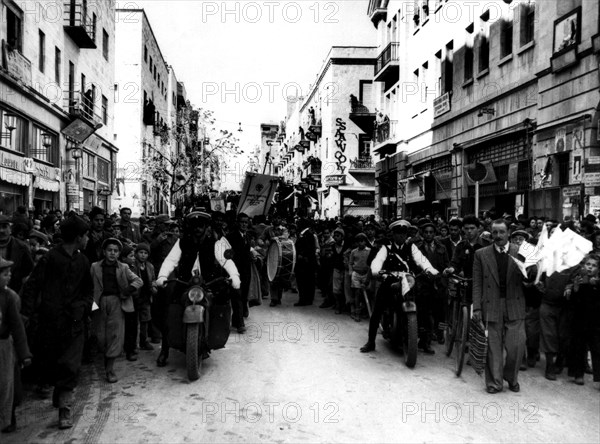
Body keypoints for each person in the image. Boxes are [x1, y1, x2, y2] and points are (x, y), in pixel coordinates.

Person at [20, 215, 93, 429]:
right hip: (51, 323)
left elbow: (89, 291)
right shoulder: (50, 259)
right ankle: (60, 393)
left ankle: (65, 409)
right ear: (78, 237)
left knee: (70, 366)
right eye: (86, 235)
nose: (87, 239)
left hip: (75, 322)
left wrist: (83, 307)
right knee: (53, 364)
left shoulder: (83, 261)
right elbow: (32, 287)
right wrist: (26, 315)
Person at [158, 211, 234, 363]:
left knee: (223, 301)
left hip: (210, 281)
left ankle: (214, 338)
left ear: (206, 227)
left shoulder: (216, 241)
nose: (198, 229)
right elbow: (170, 261)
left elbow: (227, 260)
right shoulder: (182, 242)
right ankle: (165, 348)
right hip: (185, 282)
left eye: (201, 226)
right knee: (167, 307)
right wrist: (162, 276)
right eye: (194, 226)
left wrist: (231, 275)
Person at [361, 219, 439, 353]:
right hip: (390, 281)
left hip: (409, 281)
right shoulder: (386, 248)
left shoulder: (411, 247)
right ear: (393, 234)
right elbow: (377, 261)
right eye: (398, 233)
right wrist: (376, 270)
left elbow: (421, 260)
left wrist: (430, 270)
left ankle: (424, 341)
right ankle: (371, 341)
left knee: (424, 306)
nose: (401, 236)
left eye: (403, 233)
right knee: (378, 308)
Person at [472, 219, 527, 394]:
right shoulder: (481, 254)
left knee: (516, 346)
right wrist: (477, 308)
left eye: (501, 232)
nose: (498, 236)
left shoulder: (521, 252)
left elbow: (530, 277)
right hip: (492, 303)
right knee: (493, 348)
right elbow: (477, 283)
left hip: (515, 303)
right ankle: (494, 383)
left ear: (508, 233)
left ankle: (511, 377)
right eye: (494, 232)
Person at [90, 238, 142, 383]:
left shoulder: (124, 267)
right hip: (98, 303)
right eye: (109, 250)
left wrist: (126, 291)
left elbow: (138, 281)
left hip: (117, 302)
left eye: (115, 251)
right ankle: (106, 358)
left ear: (119, 253)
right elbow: (88, 285)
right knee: (100, 336)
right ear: (104, 252)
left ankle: (110, 369)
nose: (112, 253)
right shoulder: (95, 267)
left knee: (115, 335)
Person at [0, 257, 32, 433]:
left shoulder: (9, 297)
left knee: (7, 384)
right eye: (5, 274)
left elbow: (17, 328)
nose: (9, 277)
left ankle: (7, 417)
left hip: (4, 346)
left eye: (9, 273)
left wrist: (24, 353)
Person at [565, 253, 600, 386]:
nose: (590, 268)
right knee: (578, 347)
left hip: (596, 321)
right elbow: (572, 302)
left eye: (594, 266)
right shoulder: (578, 279)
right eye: (588, 264)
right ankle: (578, 374)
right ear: (584, 266)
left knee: (597, 349)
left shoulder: (598, 281)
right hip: (580, 319)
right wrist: (575, 288)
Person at [213, 213, 251, 332]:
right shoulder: (230, 237)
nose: (244, 224)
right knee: (237, 295)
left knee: (243, 294)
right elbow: (226, 255)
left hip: (246, 270)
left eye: (246, 222)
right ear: (237, 223)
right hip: (235, 270)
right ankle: (240, 323)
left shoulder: (247, 236)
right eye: (242, 222)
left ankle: (236, 320)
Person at [0, 215, 34, 294]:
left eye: (4, 226)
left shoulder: (22, 248)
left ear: (10, 229)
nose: (1, 230)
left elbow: (28, 274)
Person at [132, 243, 156, 352]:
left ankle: (144, 341)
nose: (143, 255)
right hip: (135, 297)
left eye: (145, 253)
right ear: (136, 253)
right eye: (141, 252)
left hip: (146, 296)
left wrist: (154, 287)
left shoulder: (150, 266)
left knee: (145, 320)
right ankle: (133, 344)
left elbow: (153, 280)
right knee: (134, 322)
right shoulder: (132, 266)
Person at [294, 218, 318, 306]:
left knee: (303, 281)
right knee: (309, 281)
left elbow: (309, 248)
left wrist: (302, 255)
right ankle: (308, 299)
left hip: (305, 263)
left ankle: (303, 300)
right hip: (308, 262)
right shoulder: (307, 234)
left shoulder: (306, 235)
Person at [349, 233, 371, 322]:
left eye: (362, 241)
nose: (360, 243)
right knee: (357, 292)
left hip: (366, 273)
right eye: (358, 242)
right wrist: (351, 272)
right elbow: (350, 263)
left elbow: (371, 263)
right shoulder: (354, 251)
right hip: (356, 273)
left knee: (367, 292)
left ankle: (366, 311)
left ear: (365, 242)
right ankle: (357, 312)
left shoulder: (369, 251)